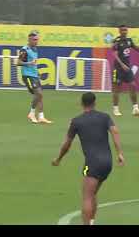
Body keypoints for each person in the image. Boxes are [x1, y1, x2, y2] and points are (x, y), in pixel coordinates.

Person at [52, 92, 125, 225]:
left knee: (87, 197)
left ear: (81, 104)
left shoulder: (76, 121)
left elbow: (66, 145)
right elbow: (115, 131)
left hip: (93, 163)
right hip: (107, 163)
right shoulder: (105, 117)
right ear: (95, 103)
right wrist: (119, 153)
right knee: (92, 194)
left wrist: (58, 159)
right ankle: (91, 222)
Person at [17, 31, 52, 124]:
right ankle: (31, 113)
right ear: (29, 39)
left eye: (37, 39)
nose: (36, 41)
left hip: (34, 75)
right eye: (34, 39)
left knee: (40, 96)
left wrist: (37, 72)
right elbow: (18, 62)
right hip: (28, 76)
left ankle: (41, 117)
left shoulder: (35, 49)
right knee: (39, 94)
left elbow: (34, 63)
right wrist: (29, 63)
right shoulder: (24, 50)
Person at [111, 25, 139, 117]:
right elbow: (115, 54)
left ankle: (135, 109)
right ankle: (116, 109)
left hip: (127, 68)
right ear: (119, 31)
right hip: (118, 68)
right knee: (117, 89)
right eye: (122, 30)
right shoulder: (116, 41)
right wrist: (122, 65)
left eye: (126, 30)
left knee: (133, 85)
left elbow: (136, 47)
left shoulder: (129, 40)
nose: (124, 31)